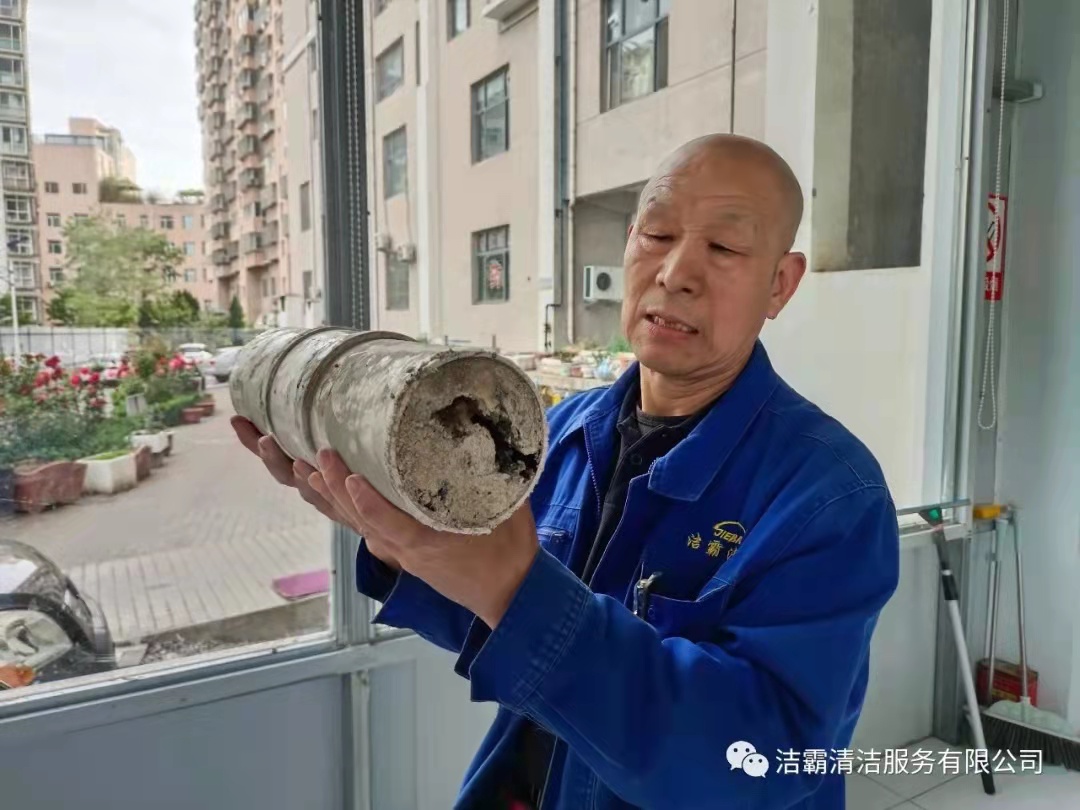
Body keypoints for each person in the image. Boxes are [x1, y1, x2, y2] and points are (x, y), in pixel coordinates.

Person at [232, 134, 900, 809]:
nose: (675, 273)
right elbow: (497, 630)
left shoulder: (829, 496)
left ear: (780, 284)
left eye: (724, 247)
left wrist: (517, 590)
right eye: (657, 234)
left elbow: (762, 760)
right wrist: (401, 544)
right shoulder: (557, 434)